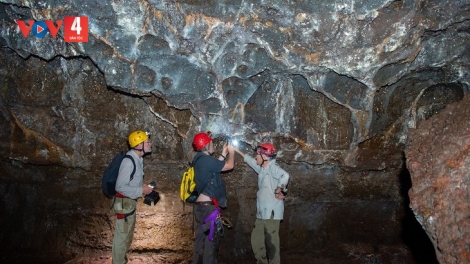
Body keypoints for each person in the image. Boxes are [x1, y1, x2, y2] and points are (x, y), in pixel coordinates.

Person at [234, 142, 290, 264]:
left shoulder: (273, 168)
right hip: (262, 212)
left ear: (264, 157)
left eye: (258, 155)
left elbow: (285, 175)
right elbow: (251, 161)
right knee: (256, 239)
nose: (256, 157)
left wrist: (279, 189)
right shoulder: (262, 169)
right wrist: (237, 151)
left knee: (271, 242)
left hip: (271, 212)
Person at [191, 131, 235, 264]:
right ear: (206, 144)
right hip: (208, 209)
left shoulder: (199, 159)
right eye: (211, 142)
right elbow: (230, 166)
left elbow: (214, 169)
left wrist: (223, 154)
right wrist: (232, 152)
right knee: (211, 243)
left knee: (201, 241)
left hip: (201, 207)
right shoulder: (206, 160)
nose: (213, 143)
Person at [112, 130, 154, 264]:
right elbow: (120, 186)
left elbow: (132, 181)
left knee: (127, 236)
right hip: (123, 203)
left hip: (129, 203)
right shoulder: (129, 161)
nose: (150, 143)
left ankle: (121, 261)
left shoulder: (138, 159)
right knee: (122, 237)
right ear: (139, 144)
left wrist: (143, 187)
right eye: (147, 142)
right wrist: (141, 190)